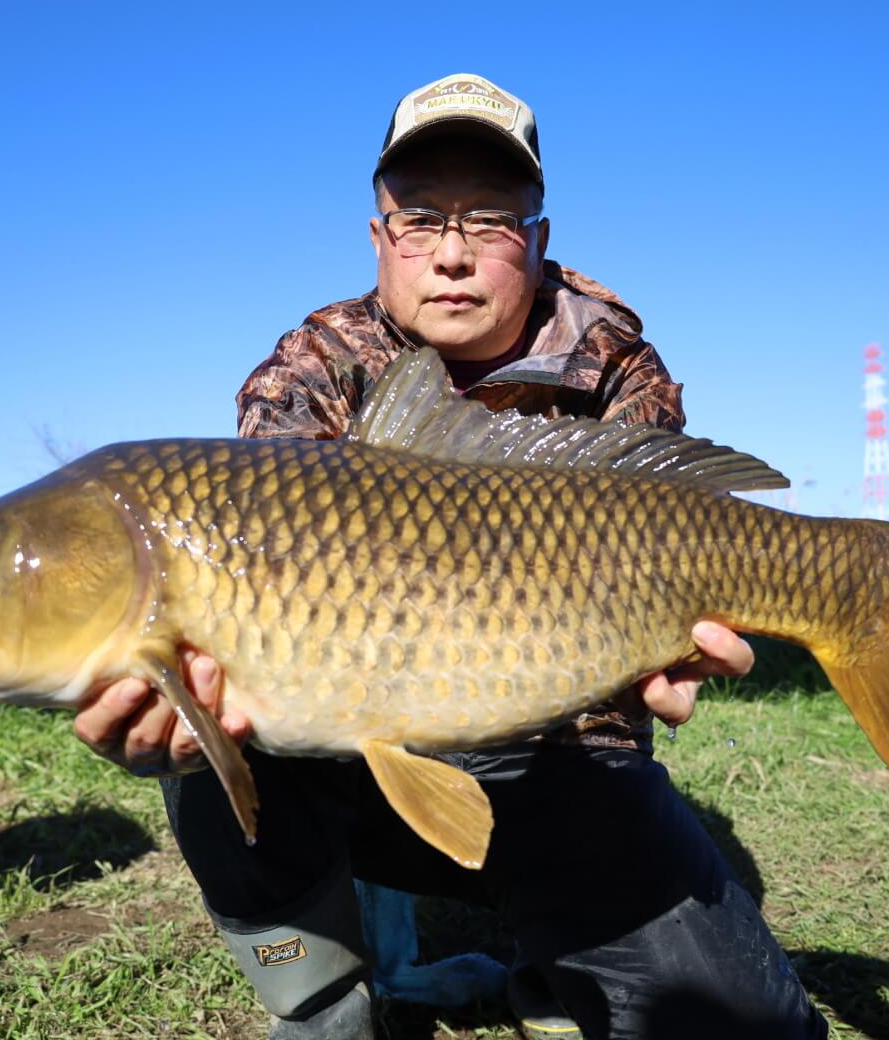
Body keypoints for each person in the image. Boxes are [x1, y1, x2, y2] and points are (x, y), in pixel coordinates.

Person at [74, 73, 828, 1040]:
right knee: (211, 729)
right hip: (351, 763)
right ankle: (320, 1001)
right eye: (422, 221)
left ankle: (558, 952)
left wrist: (657, 659)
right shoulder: (314, 365)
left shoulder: (615, 365)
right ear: (380, 239)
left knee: (745, 1029)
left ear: (539, 239)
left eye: (492, 220)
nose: (456, 257)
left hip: (561, 758)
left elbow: (685, 535)